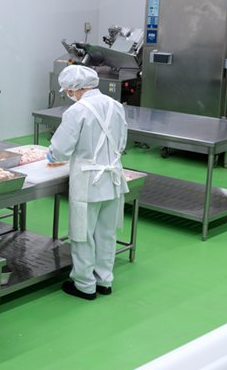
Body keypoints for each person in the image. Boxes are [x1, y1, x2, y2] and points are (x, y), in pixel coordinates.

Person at [47, 65, 129, 300]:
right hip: (113, 177)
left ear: (74, 88)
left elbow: (61, 150)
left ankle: (84, 284)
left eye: (67, 91)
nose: (67, 94)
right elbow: (122, 142)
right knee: (106, 232)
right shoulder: (115, 105)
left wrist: (51, 155)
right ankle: (104, 280)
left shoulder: (77, 110)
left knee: (82, 233)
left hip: (87, 181)